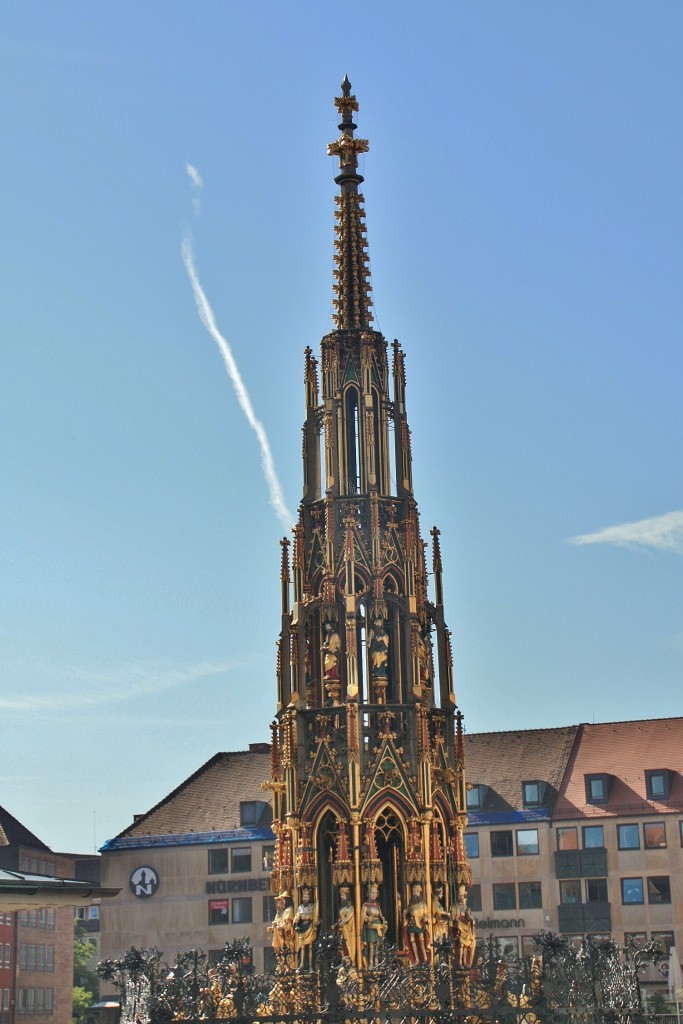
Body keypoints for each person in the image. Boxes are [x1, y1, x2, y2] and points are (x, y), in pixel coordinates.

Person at [360, 883, 387, 968]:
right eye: (372, 893)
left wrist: (384, 920)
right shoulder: (366, 905)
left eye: (375, 893)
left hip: (378, 925)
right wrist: (368, 918)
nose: (374, 895)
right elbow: (363, 916)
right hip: (371, 926)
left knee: (378, 945)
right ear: (369, 893)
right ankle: (371, 963)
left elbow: (381, 915)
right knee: (371, 945)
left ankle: (377, 962)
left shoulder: (377, 905)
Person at [403, 883, 430, 964]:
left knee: (421, 940)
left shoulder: (423, 904)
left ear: (419, 893)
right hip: (411, 922)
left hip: (419, 922)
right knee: (412, 940)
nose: (415, 894)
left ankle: (425, 958)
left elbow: (426, 914)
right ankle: (416, 959)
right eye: (414, 892)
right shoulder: (410, 904)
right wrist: (405, 914)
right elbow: (407, 913)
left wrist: (426, 918)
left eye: (416, 892)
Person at [293, 887, 318, 971]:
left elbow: (315, 917)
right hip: (302, 928)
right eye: (304, 897)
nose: (305, 899)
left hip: (310, 927)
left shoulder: (312, 907)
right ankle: (302, 965)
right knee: (302, 946)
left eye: (307, 897)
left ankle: (311, 965)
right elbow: (296, 917)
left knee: (310, 946)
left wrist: (309, 917)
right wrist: (297, 918)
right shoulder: (300, 907)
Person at [267, 892, 295, 968]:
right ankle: (282, 963)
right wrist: (273, 928)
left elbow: (288, 923)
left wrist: (281, 926)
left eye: (282, 901)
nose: (278, 905)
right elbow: (281, 921)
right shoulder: (280, 912)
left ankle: (289, 965)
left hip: (287, 934)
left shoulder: (289, 910)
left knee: (288, 950)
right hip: (280, 934)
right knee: (279, 949)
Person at [451, 884, 476, 968]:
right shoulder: (454, 906)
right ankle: (460, 962)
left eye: (462, 896)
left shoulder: (465, 907)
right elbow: (453, 917)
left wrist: (471, 919)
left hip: (466, 928)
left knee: (466, 945)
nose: (461, 897)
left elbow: (468, 915)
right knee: (461, 944)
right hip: (459, 927)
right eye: (459, 896)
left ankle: (465, 961)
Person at [335, 885, 357, 962]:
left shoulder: (351, 908)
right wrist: (336, 924)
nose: (341, 897)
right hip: (342, 930)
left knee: (347, 945)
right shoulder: (342, 907)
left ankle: (350, 961)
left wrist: (341, 922)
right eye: (341, 895)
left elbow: (347, 919)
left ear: (347, 896)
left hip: (348, 931)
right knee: (341, 945)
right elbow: (340, 919)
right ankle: (343, 960)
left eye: (343, 895)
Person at [431, 884, 450, 949]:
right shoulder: (434, 902)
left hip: (442, 927)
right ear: (438, 894)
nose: (442, 895)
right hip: (438, 927)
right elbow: (437, 912)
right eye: (441, 893)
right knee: (439, 943)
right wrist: (446, 913)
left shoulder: (437, 902)